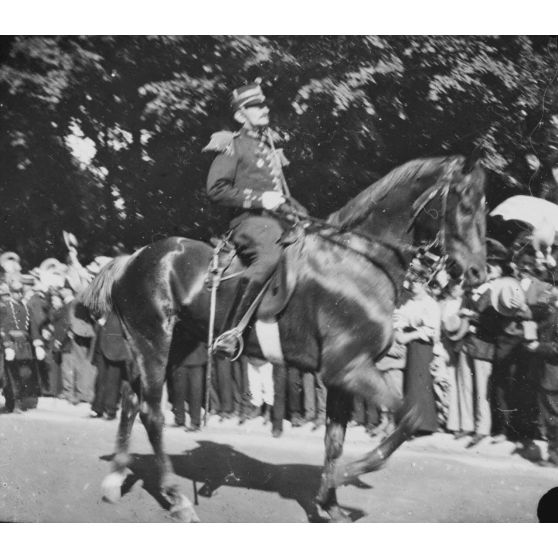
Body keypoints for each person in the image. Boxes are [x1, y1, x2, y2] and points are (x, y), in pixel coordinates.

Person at [204, 82, 305, 358]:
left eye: (263, 104)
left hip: (277, 220)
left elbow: (280, 194)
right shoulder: (232, 145)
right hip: (248, 222)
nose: (264, 109)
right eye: (255, 106)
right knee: (271, 257)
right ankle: (230, 332)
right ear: (240, 115)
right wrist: (260, 200)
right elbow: (216, 189)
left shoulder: (268, 146)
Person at [0, 278, 45, 412]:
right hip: (11, 344)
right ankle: (14, 403)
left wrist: (38, 344)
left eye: (20, 292)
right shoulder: (5, 308)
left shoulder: (26, 307)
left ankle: (18, 399)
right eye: (15, 292)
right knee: (11, 375)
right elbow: (2, 328)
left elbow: (33, 327)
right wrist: (7, 345)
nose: (18, 294)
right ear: (11, 293)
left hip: (24, 345)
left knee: (25, 374)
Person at [524, 290, 558, 468]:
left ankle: (555, 458)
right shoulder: (552, 316)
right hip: (547, 374)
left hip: (554, 376)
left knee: (553, 418)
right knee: (551, 417)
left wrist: (538, 347)